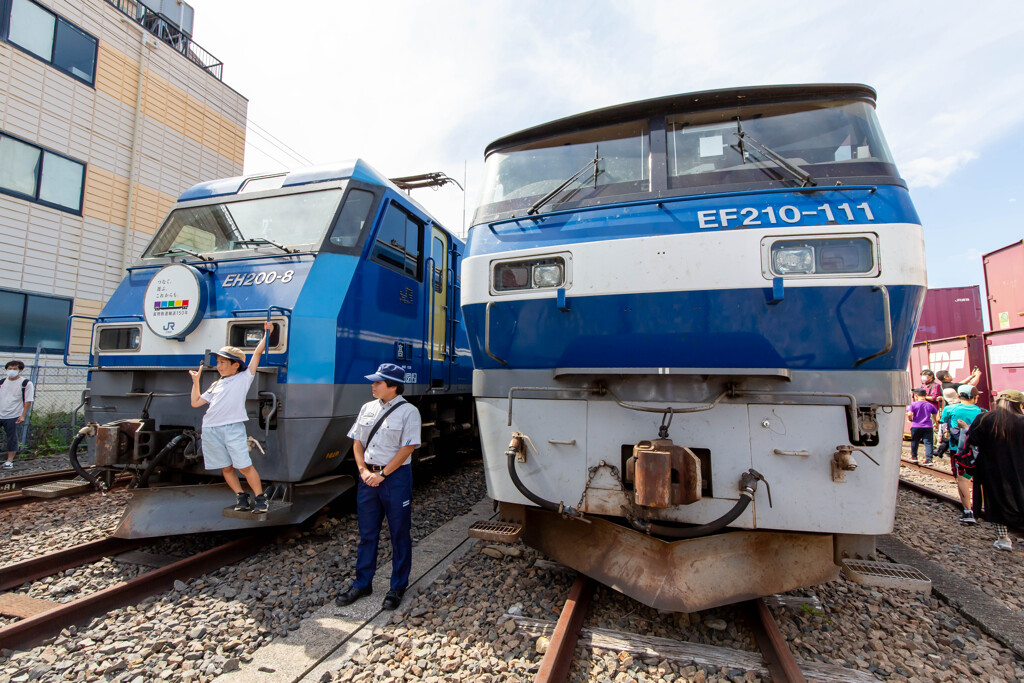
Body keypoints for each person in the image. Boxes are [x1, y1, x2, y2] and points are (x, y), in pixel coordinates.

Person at [336, 363, 421, 611]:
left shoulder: (409, 412)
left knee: (399, 533)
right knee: (367, 534)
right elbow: (357, 442)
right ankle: (363, 583)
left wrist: (383, 473)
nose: (372, 385)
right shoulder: (367, 408)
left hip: (394, 478)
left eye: (378, 382)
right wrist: (363, 470)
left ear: (393, 387)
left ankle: (397, 587)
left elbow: (408, 448)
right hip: (368, 478)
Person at [189, 321, 272, 513]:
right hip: (210, 429)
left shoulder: (243, 378)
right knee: (226, 468)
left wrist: (267, 334)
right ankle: (240, 496)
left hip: (232, 427)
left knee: (244, 466)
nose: (219, 366)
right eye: (218, 362)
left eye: (223, 362)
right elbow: (196, 402)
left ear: (236, 365)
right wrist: (196, 381)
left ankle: (260, 497)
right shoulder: (216, 384)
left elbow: (257, 354)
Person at [965, 390, 1024, 551]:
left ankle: (1003, 538)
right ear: (1020, 404)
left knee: (997, 501)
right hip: (1020, 467)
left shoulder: (985, 418)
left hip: (992, 468)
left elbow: (973, 441)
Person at [945, 384, 986, 524]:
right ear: (974, 397)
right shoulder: (983, 411)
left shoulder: (951, 409)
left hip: (959, 451)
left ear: (959, 396)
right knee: (980, 479)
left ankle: (968, 511)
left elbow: (948, 428)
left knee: (963, 479)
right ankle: (981, 506)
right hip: (979, 450)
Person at [0, 361, 34, 469]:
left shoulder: (26, 383)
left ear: (20, 370)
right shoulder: (2, 382)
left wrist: (23, 415)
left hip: (14, 415)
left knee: (12, 438)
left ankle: (9, 460)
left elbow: (28, 401)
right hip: (1, 412)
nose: (11, 371)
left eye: (14, 369)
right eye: (9, 368)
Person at [906, 388, 938, 464]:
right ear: (925, 395)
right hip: (928, 426)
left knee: (915, 441)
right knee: (928, 443)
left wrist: (910, 419)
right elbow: (935, 415)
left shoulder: (913, 404)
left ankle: (914, 457)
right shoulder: (930, 405)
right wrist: (936, 423)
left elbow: (910, 414)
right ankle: (929, 459)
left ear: (916, 395)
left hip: (916, 426)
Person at [933, 387, 960, 459]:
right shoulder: (963, 406)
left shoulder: (947, 408)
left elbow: (942, 421)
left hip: (954, 432)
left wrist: (940, 434)